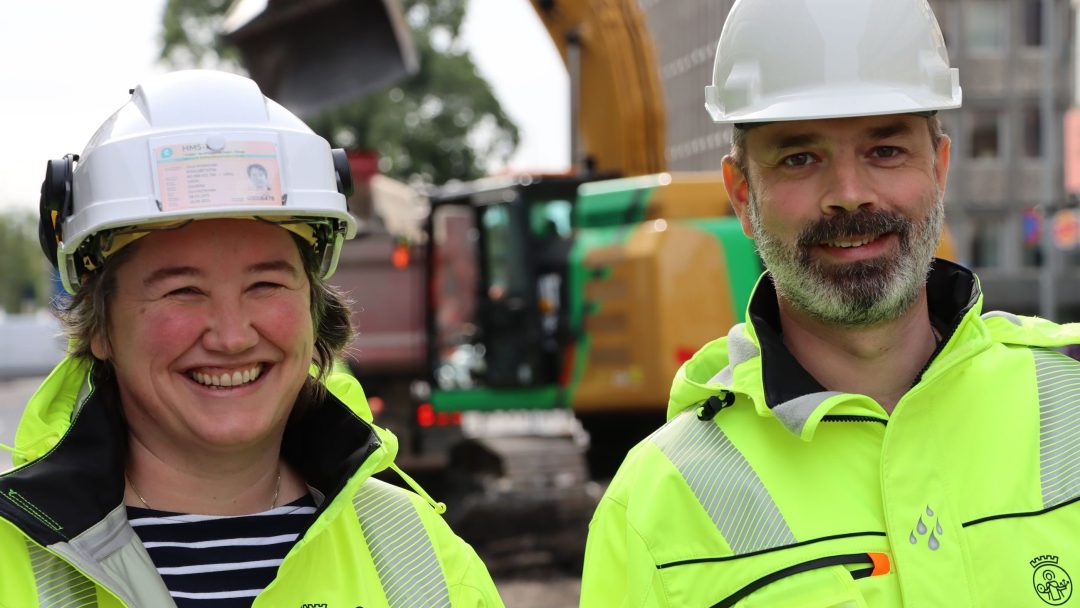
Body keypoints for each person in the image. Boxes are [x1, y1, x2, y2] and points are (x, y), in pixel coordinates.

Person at [580, 1, 1080, 606]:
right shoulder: (655, 504)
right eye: (800, 158)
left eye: (885, 150)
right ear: (742, 196)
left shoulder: (1072, 397)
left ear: (939, 169)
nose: (849, 194)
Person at [0, 70, 503, 607]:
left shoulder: (422, 557)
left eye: (266, 285)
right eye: (182, 291)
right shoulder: (14, 560)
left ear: (312, 310)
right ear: (101, 326)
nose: (233, 336)